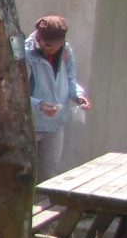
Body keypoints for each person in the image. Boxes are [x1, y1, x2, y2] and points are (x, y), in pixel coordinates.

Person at [25, 15, 93, 182]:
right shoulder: (26, 53)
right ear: (39, 39)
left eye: (57, 46)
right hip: (30, 125)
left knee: (48, 177)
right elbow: (18, 92)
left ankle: (43, 207)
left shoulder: (66, 51)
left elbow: (70, 78)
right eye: (48, 45)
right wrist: (39, 105)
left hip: (55, 125)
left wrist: (77, 95)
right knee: (26, 177)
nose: (52, 50)